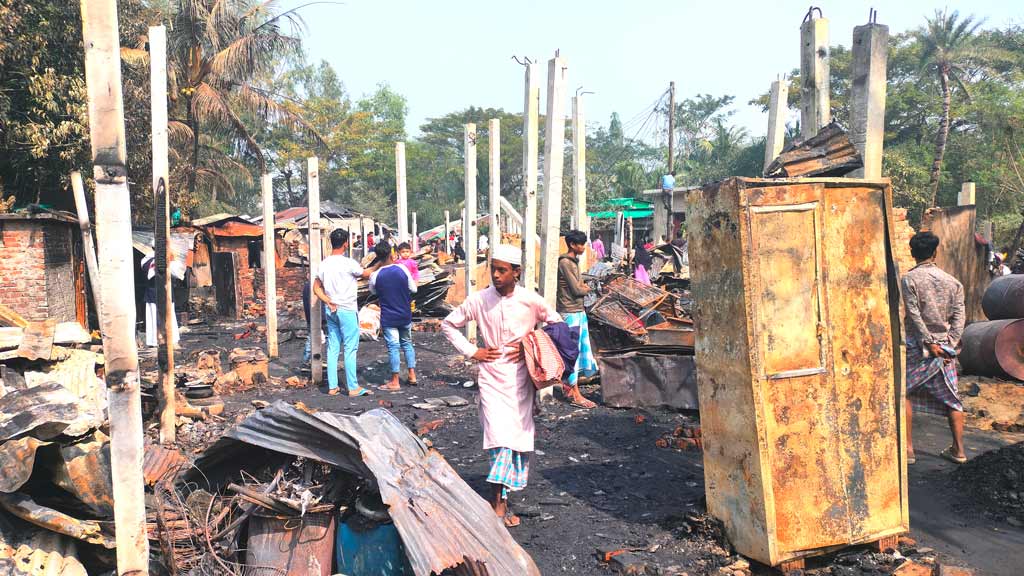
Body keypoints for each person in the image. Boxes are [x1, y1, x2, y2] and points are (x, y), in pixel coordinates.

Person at [441, 244, 562, 527]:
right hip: (492, 376)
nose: (495, 275)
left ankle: (502, 496)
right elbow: (448, 324)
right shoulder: (479, 300)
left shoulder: (531, 300)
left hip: (522, 379)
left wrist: (533, 346)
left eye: (501, 270)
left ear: (516, 272)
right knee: (498, 438)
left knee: (516, 438)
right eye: (492, 268)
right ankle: (498, 502)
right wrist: (473, 351)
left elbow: (557, 325)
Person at [902, 231, 967, 465]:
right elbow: (960, 316)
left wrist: (929, 341)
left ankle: (909, 450)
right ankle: (959, 450)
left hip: (917, 348)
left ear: (912, 253)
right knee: (953, 398)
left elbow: (913, 313)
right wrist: (948, 345)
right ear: (935, 252)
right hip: (945, 352)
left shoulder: (909, 280)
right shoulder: (953, 282)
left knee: (904, 394)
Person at [313, 229, 375, 397]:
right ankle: (353, 387)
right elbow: (366, 274)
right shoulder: (349, 263)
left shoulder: (324, 264)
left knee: (333, 347)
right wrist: (379, 263)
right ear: (346, 243)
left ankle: (333, 387)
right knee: (350, 348)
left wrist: (327, 300)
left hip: (331, 309)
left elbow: (316, 287)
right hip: (347, 309)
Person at [557, 230, 598, 409]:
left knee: (578, 351)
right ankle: (573, 393)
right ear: (573, 245)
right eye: (581, 244)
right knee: (571, 353)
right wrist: (588, 288)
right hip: (569, 311)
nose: (583, 247)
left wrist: (584, 286)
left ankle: (573, 389)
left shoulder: (574, 262)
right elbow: (576, 289)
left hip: (577, 310)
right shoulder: (565, 262)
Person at [370, 243, 418, 392]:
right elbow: (414, 289)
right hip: (405, 314)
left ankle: (395, 381)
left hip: (388, 316)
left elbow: (372, 291)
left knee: (393, 347)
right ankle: (412, 375)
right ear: (392, 254)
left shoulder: (375, 275)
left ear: (377, 257)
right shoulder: (402, 268)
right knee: (407, 343)